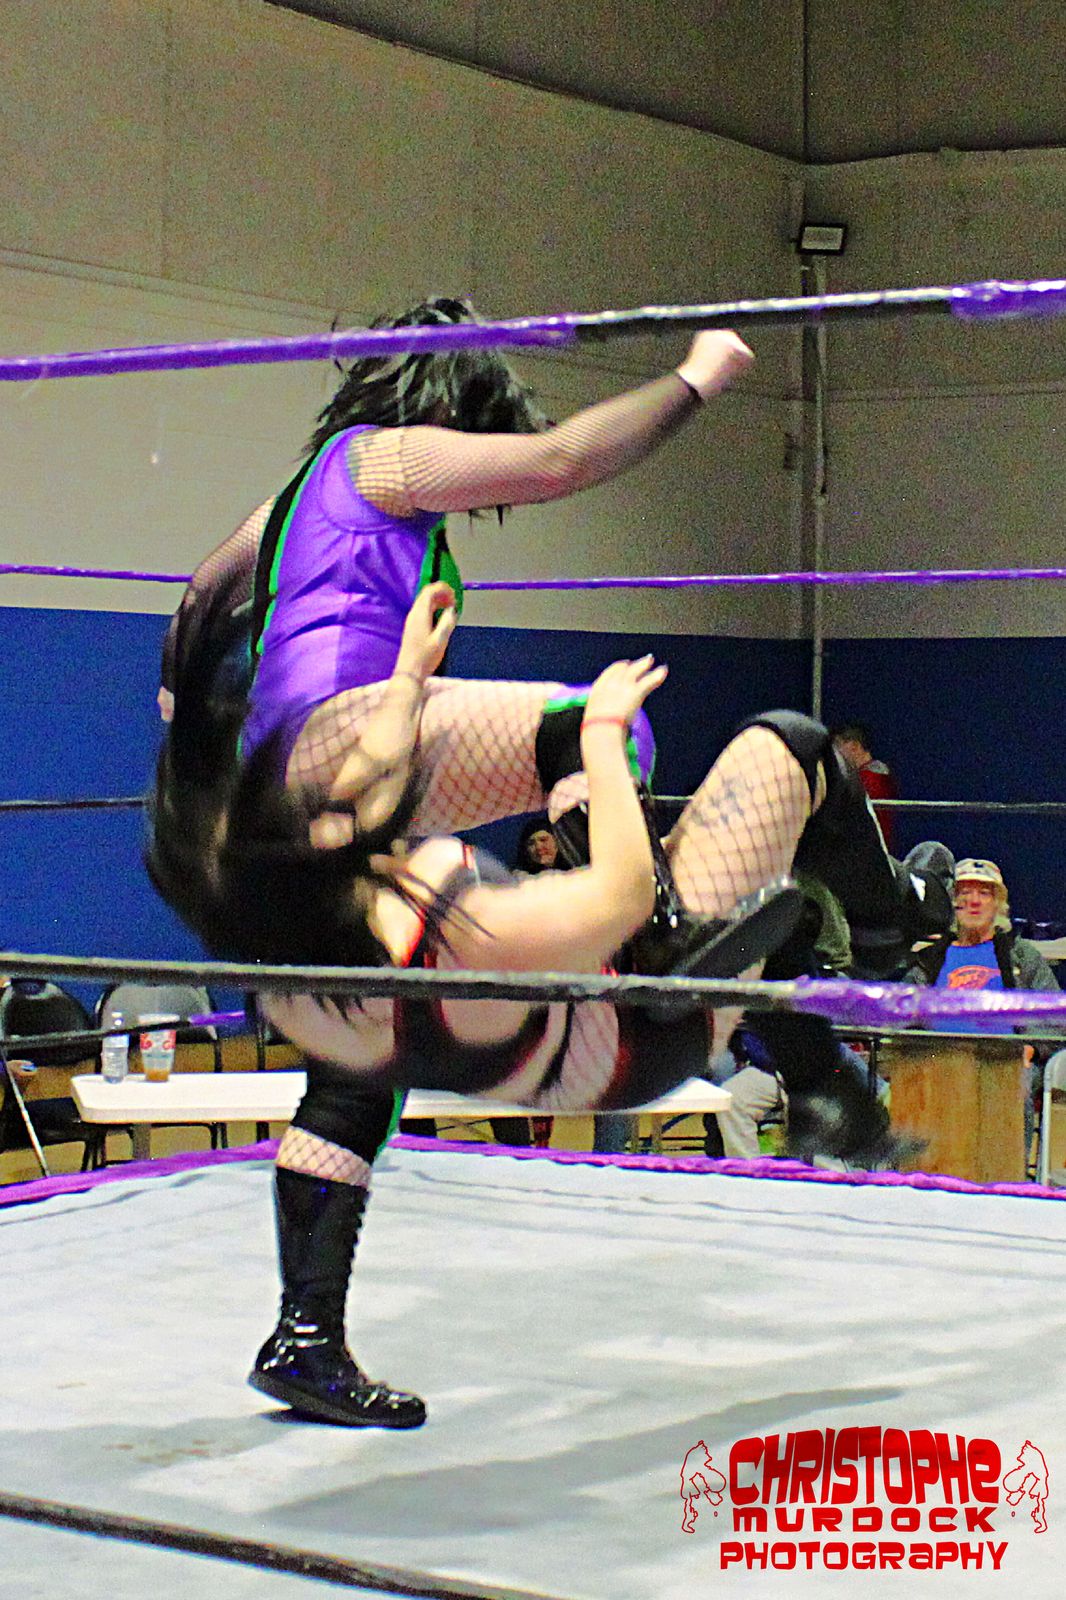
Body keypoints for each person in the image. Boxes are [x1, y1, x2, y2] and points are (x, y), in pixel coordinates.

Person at [151, 301, 786, 1431]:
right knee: (594, 727)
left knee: (364, 1039)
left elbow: (202, 594)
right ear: (446, 391)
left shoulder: (290, 501)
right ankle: (642, 941)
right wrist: (697, 378)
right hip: (352, 736)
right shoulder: (385, 458)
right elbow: (559, 461)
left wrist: (181, 711)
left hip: (287, 786)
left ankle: (304, 1337)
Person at [903, 857, 1061, 1163]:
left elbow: (1054, 1015)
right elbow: (902, 1016)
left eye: (984, 893)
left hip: (1005, 1062)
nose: (974, 901)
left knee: (1014, 1081)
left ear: (998, 903)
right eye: (965, 893)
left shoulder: (1022, 957)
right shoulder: (930, 961)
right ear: (953, 903)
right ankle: (919, 1178)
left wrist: (1029, 1048)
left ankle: (1005, 1176)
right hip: (939, 1062)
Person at [831, 722, 899, 850]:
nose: (835, 754)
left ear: (855, 746)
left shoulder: (871, 781)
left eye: (838, 746)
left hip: (865, 852)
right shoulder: (874, 778)